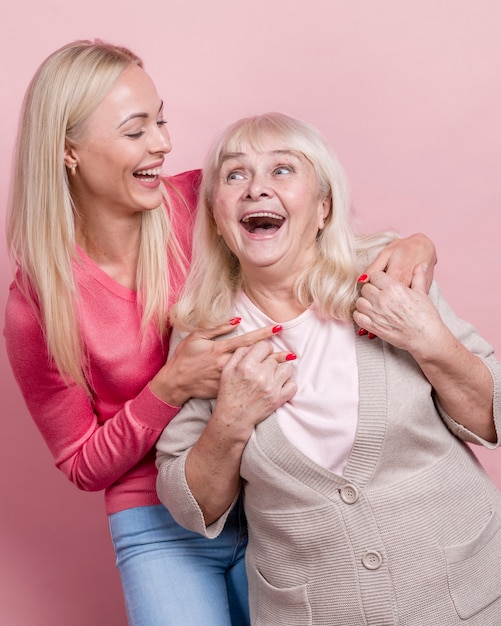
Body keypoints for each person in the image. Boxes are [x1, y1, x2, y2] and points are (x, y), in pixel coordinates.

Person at [3, 40, 436, 625]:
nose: (163, 143)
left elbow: (315, 237)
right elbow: (81, 462)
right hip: (158, 524)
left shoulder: (204, 202)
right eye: (136, 131)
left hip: (274, 491)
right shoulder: (35, 303)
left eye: (161, 120)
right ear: (68, 151)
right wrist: (168, 389)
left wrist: (410, 245)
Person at [156, 112, 501, 625]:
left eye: (282, 170)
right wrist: (230, 419)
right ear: (216, 214)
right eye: (234, 175)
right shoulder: (203, 330)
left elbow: (492, 416)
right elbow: (188, 504)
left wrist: (432, 342)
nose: (255, 189)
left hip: (469, 597)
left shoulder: (388, 277)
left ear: (323, 208)